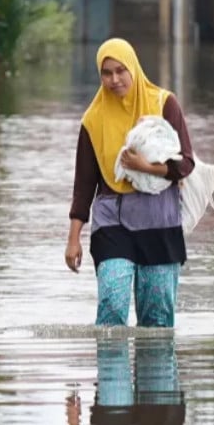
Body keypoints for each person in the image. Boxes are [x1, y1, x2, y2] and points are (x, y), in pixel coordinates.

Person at [65, 38, 195, 327]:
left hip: (158, 218)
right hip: (112, 219)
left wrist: (147, 167)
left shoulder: (164, 104)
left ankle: (157, 372)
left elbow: (185, 163)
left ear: (134, 68)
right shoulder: (93, 120)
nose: (114, 79)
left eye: (121, 71)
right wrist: (73, 239)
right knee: (111, 307)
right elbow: (84, 184)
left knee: (157, 319)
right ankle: (111, 372)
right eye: (107, 72)